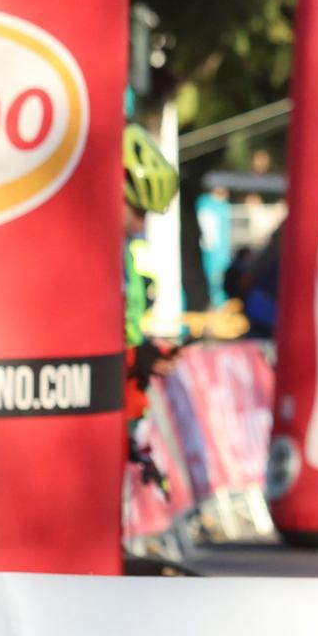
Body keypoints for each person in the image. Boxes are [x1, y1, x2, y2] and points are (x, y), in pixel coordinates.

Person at [123, 122, 181, 489]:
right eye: (136, 209)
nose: (140, 223)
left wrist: (143, 352)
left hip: (124, 386)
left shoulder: (128, 250)